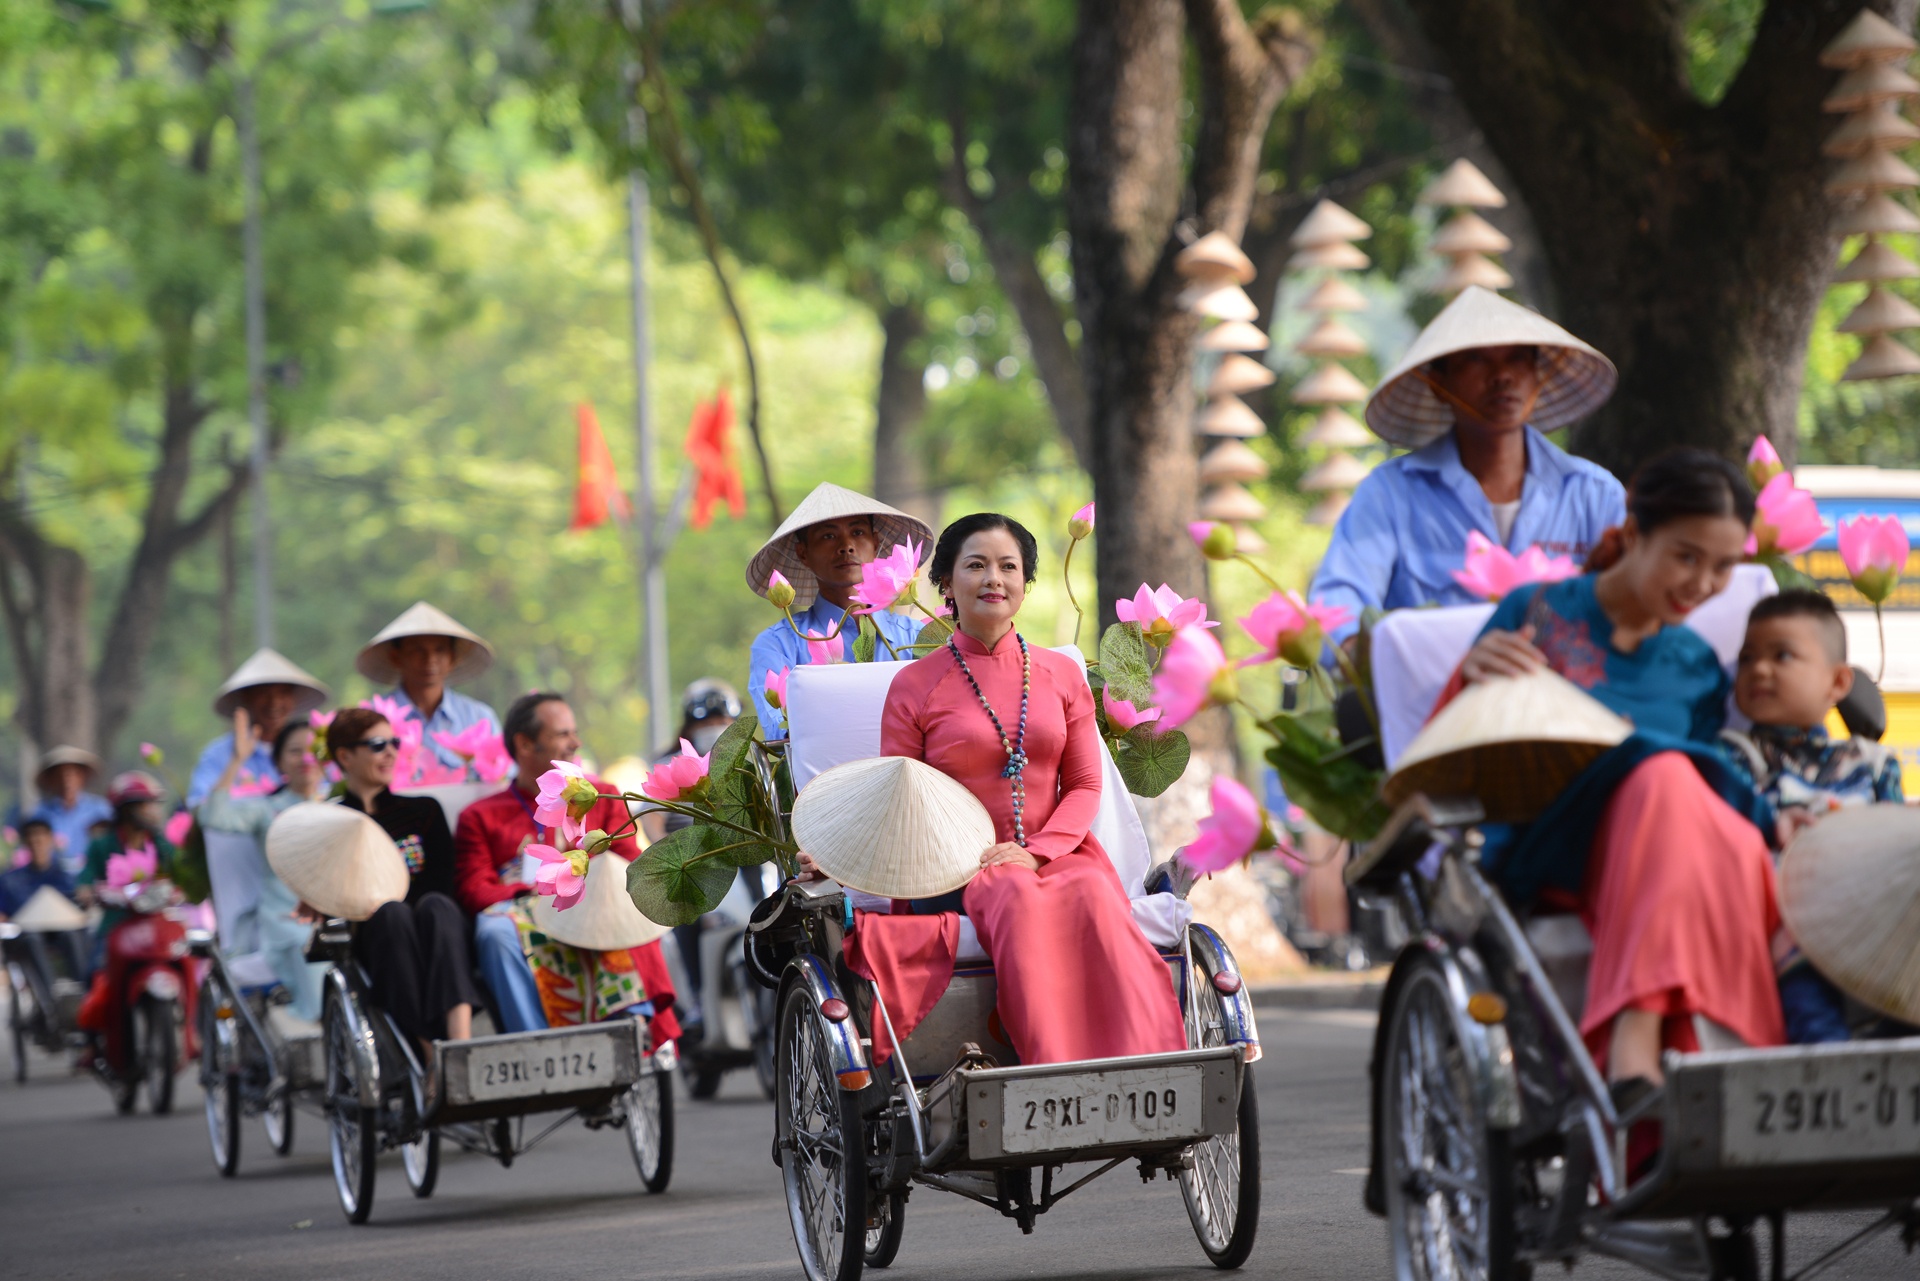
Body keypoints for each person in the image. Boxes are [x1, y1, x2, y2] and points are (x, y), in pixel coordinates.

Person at [1455, 448, 1781, 1101]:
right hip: (1552, 847)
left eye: (1723, 566)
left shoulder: (1695, 663)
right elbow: (1458, 753)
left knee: (1693, 797)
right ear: (1634, 534)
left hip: (1658, 856)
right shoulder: (1536, 612)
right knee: (1662, 769)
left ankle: (1671, 1061)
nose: (1704, 582)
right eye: (1686, 556)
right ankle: (1634, 1037)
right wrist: (1469, 675)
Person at [849, 512, 1187, 1065]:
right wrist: (835, 859)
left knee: (1095, 894)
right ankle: (1055, 1066)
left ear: (1025, 585)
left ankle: (1145, 1063)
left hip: (1063, 852)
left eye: (1009, 567)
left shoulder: (1061, 674)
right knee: (1012, 897)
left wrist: (1039, 851)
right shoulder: (914, 685)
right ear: (945, 584)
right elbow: (901, 800)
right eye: (976, 565)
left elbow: (1082, 784)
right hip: (966, 866)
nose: (994, 580)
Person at [1309, 286, 1626, 646]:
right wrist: (1369, 656)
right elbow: (1339, 607)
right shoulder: (1389, 496)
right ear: (1439, 384)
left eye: (1518, 358)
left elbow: (1635, 602)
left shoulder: (1593, 494)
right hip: (1435, 697)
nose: (1502, 375)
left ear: (1539, 373)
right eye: (1477, 360)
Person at [1722, 589, 1904, 1044]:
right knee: (1810, 996)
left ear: (1838, 683)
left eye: (1782, 655)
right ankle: (1826, 1055)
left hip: (1878, 915)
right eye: (1747, 658)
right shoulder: (1735, 759)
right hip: (1795, 915)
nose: (1758, 669)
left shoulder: (1873, 762)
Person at [453, 693, 680, 1041]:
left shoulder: (602, 795)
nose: (575, 743)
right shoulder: (481, 816)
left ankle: (633, 1025)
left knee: (627, 910)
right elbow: (473, 888)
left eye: (573, 732)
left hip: (596, 906)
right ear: (525, 744)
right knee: (493, 933)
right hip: (524, 914)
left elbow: (631, 864)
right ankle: (535, 1045)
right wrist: (537, 887)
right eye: (562, 734)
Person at [326, 705, 477, 1051]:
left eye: (394, 742)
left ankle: (461, 1045)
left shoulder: (424, 810)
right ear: (345, 756)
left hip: (435, 928)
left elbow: (442, 880)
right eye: (378, 744)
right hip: (378, 932)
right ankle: (426, 1056)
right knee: (392, 914)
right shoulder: (331, 821)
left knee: (438, 905)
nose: (391, 751)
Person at [745, 482, 933, 733]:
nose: (846, 546)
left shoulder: (915, 637)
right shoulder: (777, 644)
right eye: (828, 536)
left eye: (857, 532)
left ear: (875, 543)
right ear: (803, 553)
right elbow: (781, 732)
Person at [197, 711, 331, 1022]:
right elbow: (212, 817)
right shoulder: (266, 810)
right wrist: (237, 760)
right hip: (288, 919)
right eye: (295, 751)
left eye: (312, 750)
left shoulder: (337, 805)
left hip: (336, 913)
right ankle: (318, 1024)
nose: (305, 759)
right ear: (280, 763)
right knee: (306, 946)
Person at [355, 601, 501, 776]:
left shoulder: (480, 717)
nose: (430, 659)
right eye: (417, 650)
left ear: (452, 658)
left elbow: (502, 776)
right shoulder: (371, 718)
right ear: (396, 657)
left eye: (439, 650)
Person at [187, 649, 330, 806]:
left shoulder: (315, 750)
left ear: (293, 698)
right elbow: (199, 807)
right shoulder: (219, 754)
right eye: (263, 694)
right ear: (246, 697)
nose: (274, 703)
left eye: (282, 693)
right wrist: (237, 760)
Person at [0, 811, 90, 981]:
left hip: (60, 933)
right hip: (27, 936)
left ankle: (84, 993)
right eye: (32, 840)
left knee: (72, 936)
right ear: (25, 844)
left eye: (40, 839)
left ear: (50, 841)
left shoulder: (66, 878)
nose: (37, 844)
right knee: (33, 940)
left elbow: (78, 909)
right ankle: (51, 1001)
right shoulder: (10, 881)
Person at [4, 747, 112, 878]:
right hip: (52, 881)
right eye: (60, 775)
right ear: (51, 780)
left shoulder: (100, 810)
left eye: (72, 774)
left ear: (82, 776)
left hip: (92, 879)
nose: (66, 781)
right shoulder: (40, 813)